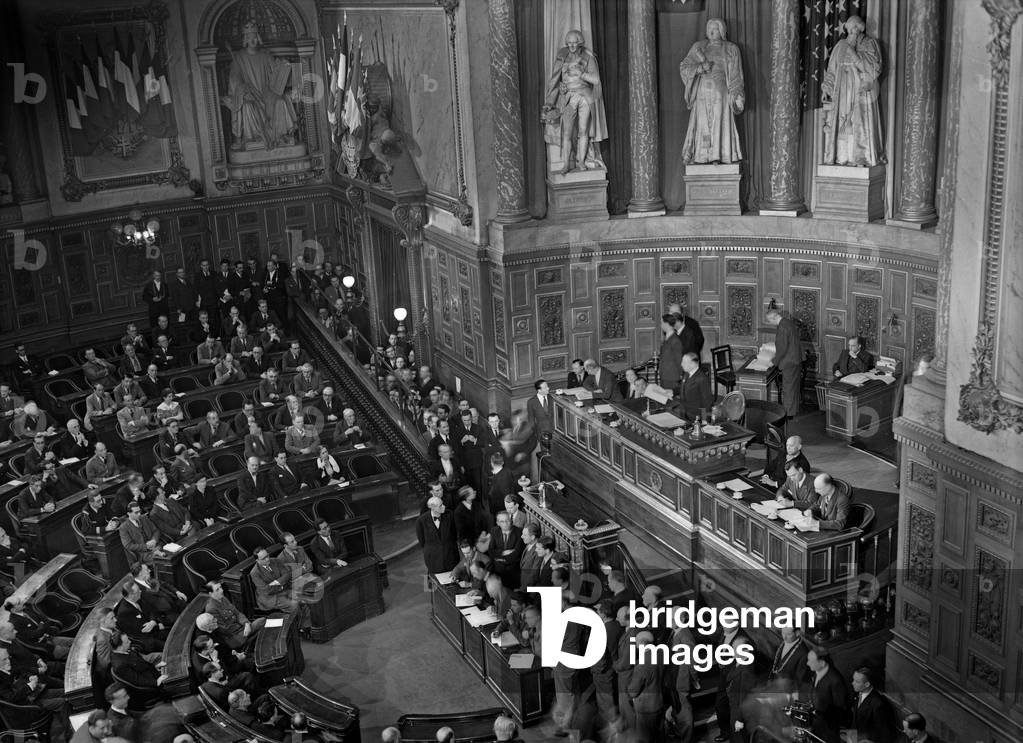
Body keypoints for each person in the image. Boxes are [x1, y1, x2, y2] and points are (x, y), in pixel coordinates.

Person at [221, 21, 298, 151]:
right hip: (250, 94)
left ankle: (281, 135)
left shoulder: (265, 55)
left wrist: (284, 67)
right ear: (245, 39)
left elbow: (276, 72)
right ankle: (252, 138)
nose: (253, 40)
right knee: (247, 106)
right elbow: (235, 79)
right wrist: (244, 89)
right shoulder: (239, 57)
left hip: (267, 93)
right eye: (250, 37)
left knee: (280, 102)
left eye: (255, 36)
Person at [679, 18, 745, 164]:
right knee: (703, 122)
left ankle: (719, 155)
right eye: (709, 28)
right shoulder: (699, 47)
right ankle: (703, 156)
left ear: (722, 31)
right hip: (702, 90)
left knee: (719, 119)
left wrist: (737, 94)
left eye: (715, 28)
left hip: (720, 91)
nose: (711, 31)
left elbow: (735, 75)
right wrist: (700, 68)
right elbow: (684, 67)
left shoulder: (731, 49)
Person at [822, 15, 884, 167]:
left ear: (861, 28)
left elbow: (874, 68)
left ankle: (859, 157)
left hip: (860, 91)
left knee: (857, 122)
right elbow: (832, 69)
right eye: (849, 29)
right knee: (842, 123)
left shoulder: (870, 43)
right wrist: (827, 87)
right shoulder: (841, 45)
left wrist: (855, 56)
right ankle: (841, 156)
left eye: (855, 28)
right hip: (842, 91)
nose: (852, 31)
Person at [543, 30, 606, 175]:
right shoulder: (562, 56)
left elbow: (596, 80)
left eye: (574, 43)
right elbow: (555, 80)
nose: (571, 46)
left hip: (584, 97)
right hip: (568, 98)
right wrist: (554, 95)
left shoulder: (588, 57)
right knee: (567, 132)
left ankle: (582, 162)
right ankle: (566, 165)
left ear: (580, 43)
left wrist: (582, 74)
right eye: (569, 43)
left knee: (583, 131)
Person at [202, 581, 266, 650]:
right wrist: (244, 629)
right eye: (217, 590)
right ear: (211, 594)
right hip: (233, 637)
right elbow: (224, 629)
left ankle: (251, 644)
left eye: (220, 587)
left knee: (263, 621)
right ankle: (250, 646)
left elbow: (237, 613)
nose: (222, 590)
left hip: (241, 628)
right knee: (262, 623)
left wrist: (246, 623)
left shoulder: (223, 598)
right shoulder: (211, 609)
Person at [778, 473, 852, 531]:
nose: (816, 491)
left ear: (828, 487)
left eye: (818, 489)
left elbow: (839, 524)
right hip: (825, 529)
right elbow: (816, 505)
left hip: (837, 534)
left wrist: (817, 523)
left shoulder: (842, 499)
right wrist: (810, 510)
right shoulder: (825, 494)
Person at [806, 647, 849, 743]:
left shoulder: (835, 681)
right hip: (816, 725)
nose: (807, 663)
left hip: (828, 731)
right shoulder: (816, 673)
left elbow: (840, 709)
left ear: (822, 662)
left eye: (811, 661)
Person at [767, 308, 803, 418]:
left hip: (789, 361)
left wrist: (773, 362)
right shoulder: (788, 322)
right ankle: (793, 410)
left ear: (774, 317)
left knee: (788, 388)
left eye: (770, 321)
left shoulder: (782, 327)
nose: (770, 323)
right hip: (796, 359)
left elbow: (782, 348)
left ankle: (788, 414)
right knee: (793, 387)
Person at [851, 666, 896, 743]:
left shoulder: (877, 704)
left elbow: (883, 732)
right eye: (853, 680)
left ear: (867, 684)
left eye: (857, 682)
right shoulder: (857, 694)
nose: (852, 683)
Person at [416, 496, 457, 573]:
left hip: (451, 556)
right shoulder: (421, 521)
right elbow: (422, 541)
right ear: (433, 508)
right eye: (440, 506)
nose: (444, 506)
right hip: (433, 558)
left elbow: (454, 533)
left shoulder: (450, 515)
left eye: (443, 504)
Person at [489, 511, 523, 588]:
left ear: (511, 520)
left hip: (512, 571)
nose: (505, 524)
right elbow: (491, 551)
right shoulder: (494, 531)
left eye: (507, 521)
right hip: (497, 570)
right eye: (502, 521)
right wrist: (503, 552)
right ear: (497, 523)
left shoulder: (519, 532)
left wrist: (500, 558)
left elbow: (516, 554)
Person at [675, 352, 713, 420]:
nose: (681, 364)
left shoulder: (702, 378)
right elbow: (683, 388)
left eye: (684, 362)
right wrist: (671, 391)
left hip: (695, 417)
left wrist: (705, 420)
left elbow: (707, 402)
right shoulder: (686, 374)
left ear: (692, 364)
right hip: (684, 413)